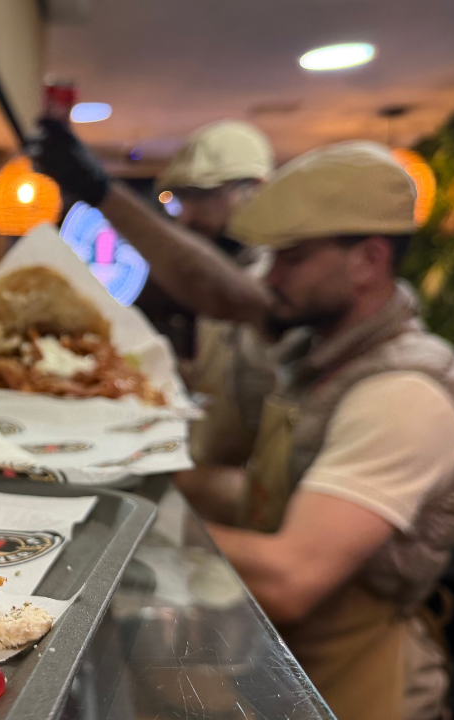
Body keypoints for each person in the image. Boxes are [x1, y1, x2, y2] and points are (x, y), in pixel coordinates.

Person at [34, 127, 454, 720]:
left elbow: (291, 578)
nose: (270, 276)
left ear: (368, 260)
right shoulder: (320, 356)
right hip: (291, 673)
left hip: (360, 688)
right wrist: (138, 479)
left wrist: (117, 518)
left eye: (293, 259)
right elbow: (266, 493)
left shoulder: (404, 392)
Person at [153, 121, 278, 496]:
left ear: (253, 191)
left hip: (257, 508)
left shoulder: (283, 290)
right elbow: (224, 385)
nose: (187, 216)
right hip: (207, 486)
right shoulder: (219, 285)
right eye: (182, 199)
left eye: (202, 196)